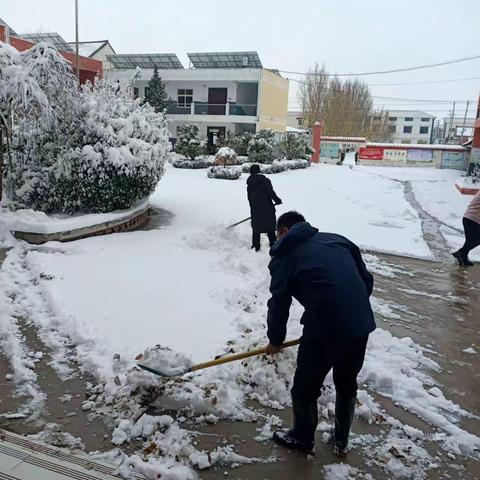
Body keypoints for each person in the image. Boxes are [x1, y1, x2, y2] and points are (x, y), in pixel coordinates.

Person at [265, 211, 376, 456]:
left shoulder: (284, 255)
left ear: (284, 231)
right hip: (360, 324)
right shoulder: (338, 240)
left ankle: (303, 438)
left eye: (276, 234)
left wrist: (275, 340)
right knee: (346, 385)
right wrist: (350, 309)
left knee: (305, 389)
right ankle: (342, 441)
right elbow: (366, 280)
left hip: (324, 327)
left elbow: (279, 304)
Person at [247, 164, 282, 251]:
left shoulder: (249, 183)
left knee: (256, 229)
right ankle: (273, 246)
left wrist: (254, 207)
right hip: (267, 209)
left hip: (255, 210)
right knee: (270, 228)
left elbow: (249, 198)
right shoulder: (265, 181)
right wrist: (277, 200)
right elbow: (270, 192)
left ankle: (256, 246)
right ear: (259, 171)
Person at [453, 190, 480, 266]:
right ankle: (461, 253)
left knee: (470, 241)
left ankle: (463, 257)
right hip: (472, 219)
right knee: (475, 240)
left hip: (470, 218)